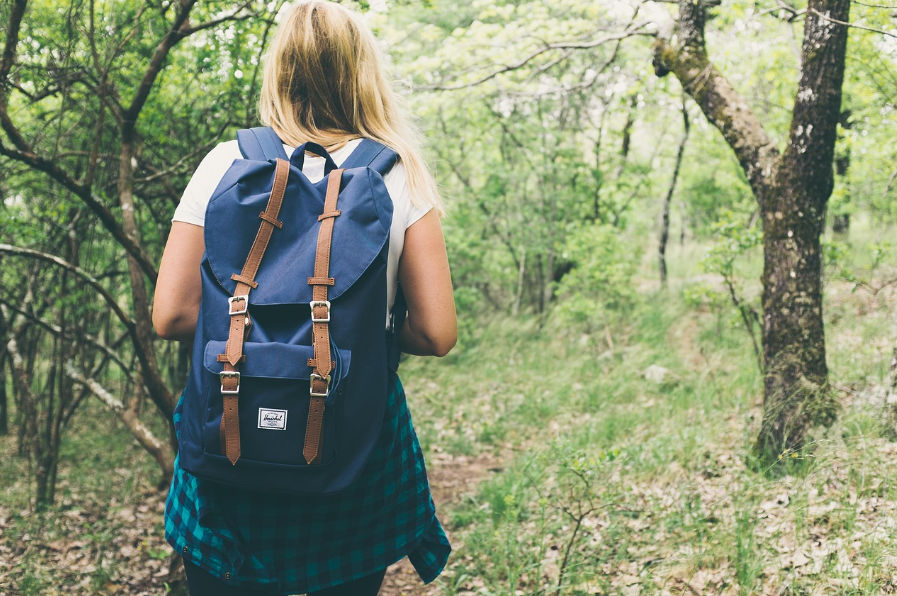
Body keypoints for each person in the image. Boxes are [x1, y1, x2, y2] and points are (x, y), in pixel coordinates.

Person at [152, 2, 457, 594]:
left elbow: (171, 314)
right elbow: (437, 333)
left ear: (279, 71)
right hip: (351, 448)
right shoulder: (400, 176)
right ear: (362, 72)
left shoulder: (226, 164)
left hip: (230, 443)